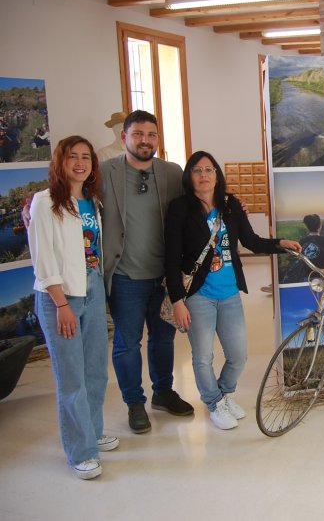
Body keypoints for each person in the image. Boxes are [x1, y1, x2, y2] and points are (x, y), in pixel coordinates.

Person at [164, 151, 300, 430]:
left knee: (238, 355)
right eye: (197, 171)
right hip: (198, 295)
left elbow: (251, 240)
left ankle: (224, 395)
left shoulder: (230, 204)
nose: (204, 176)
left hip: (229, 293)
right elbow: (171, 256)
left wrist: (280, 243)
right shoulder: (180, 208)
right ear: (189, 176)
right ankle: (214, 403)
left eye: (209, 170)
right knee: (203, 356)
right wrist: (177, 300)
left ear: (217, 174)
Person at [28, 135, 118, 480]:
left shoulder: (92, 202)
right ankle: (80, 451)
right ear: (60, 162)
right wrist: (61, 303)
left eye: (86, 157)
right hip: (60, 298)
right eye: (72, 157)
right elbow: (44, 259)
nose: (80, 163)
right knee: (71, 378)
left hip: (92, 289)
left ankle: (93, 431)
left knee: (96, 370)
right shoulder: (45, 201)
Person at [101, 110, 194, 434]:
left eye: (151, 134)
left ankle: (163, 392)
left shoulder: (171, 172)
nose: (145, 140)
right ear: (125, 137)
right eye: (138, 134)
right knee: (127, 343)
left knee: (164, 339)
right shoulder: (104, 171)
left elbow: (191, 211)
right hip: (126, 276)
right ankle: (134, 402)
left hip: (164, 276)